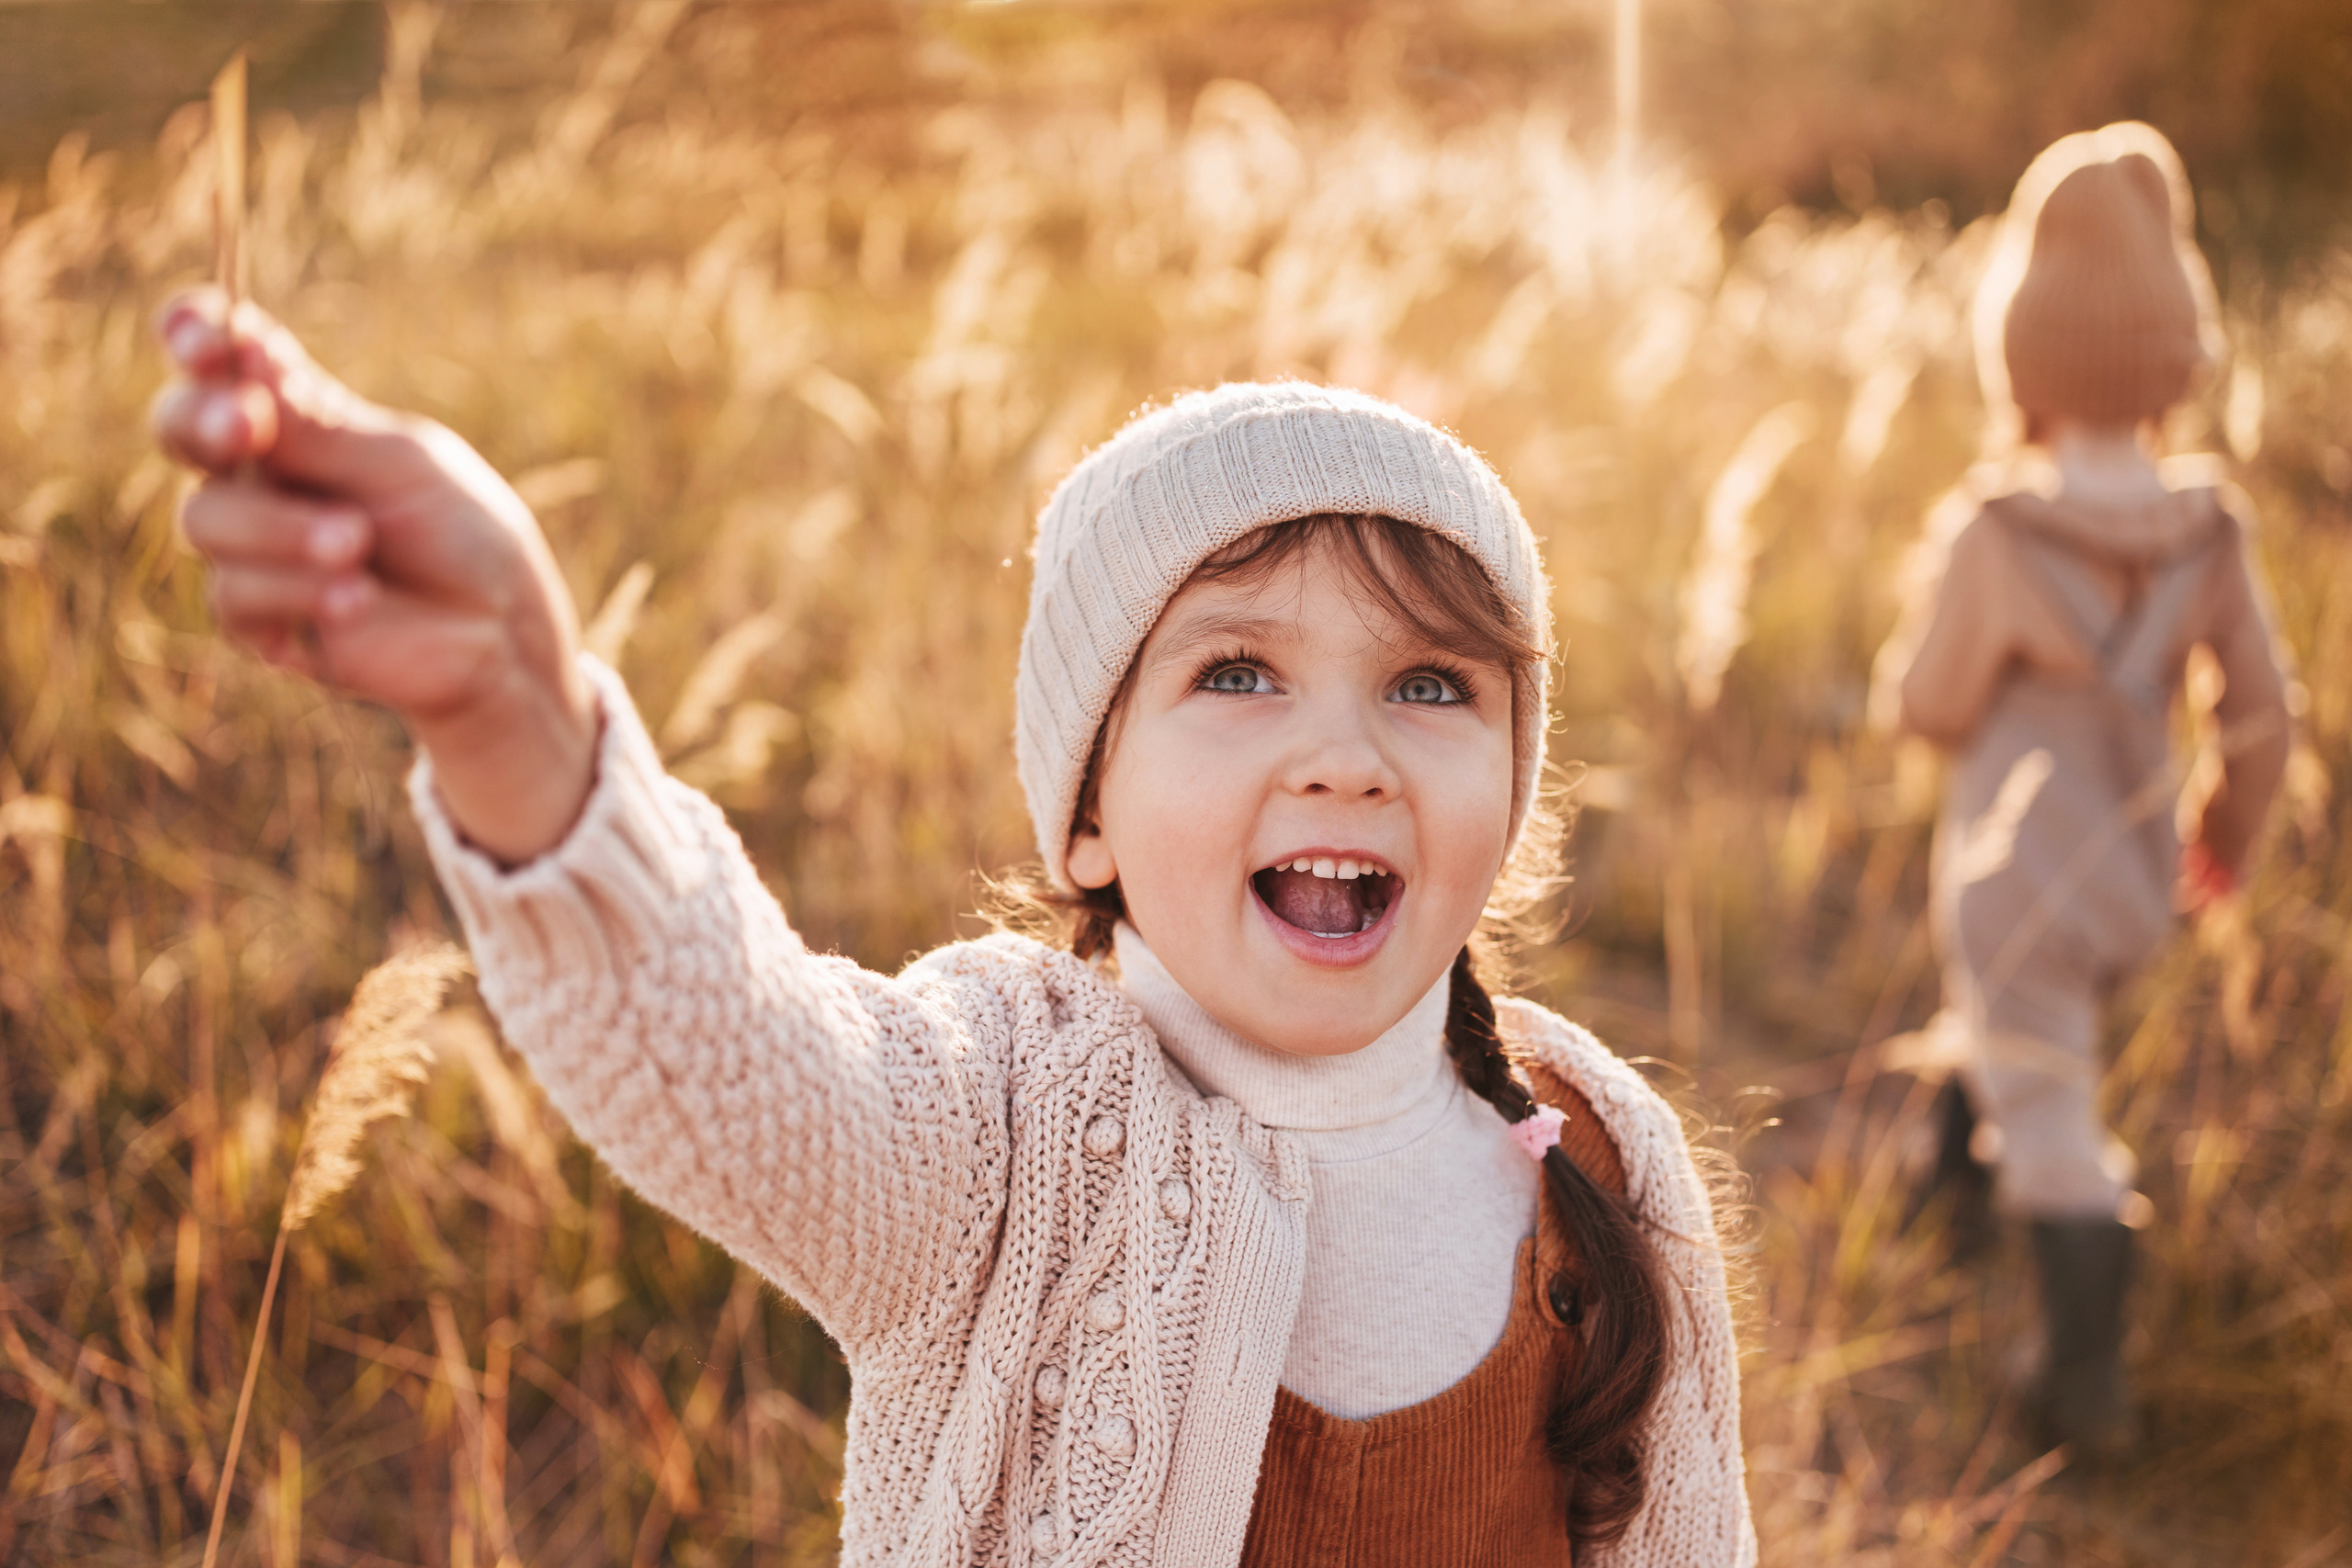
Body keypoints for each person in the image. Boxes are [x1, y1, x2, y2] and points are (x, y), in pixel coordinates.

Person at [151, 307, 1752, 1565]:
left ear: (1518, 784)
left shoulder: (1600, 1157)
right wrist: (514, 708)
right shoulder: (1002, 1121)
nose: (1346, 753)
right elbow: (733, 1058)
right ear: (1089, 817)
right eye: (1239, 675)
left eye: (1430, 685)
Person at [1875, 122, 2294, 1456]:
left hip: (2013, 876)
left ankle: (2083, 1374)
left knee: (2045, 1087)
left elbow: (1932, 704)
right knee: (2015, 1022)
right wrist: (2222, 836)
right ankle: (1949, 1172)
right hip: (2132, 872)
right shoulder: (2211, 528)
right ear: (2175, 361)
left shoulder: (2001, 530)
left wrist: (1932, 683)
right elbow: (2267, 716)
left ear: (2025, 363)